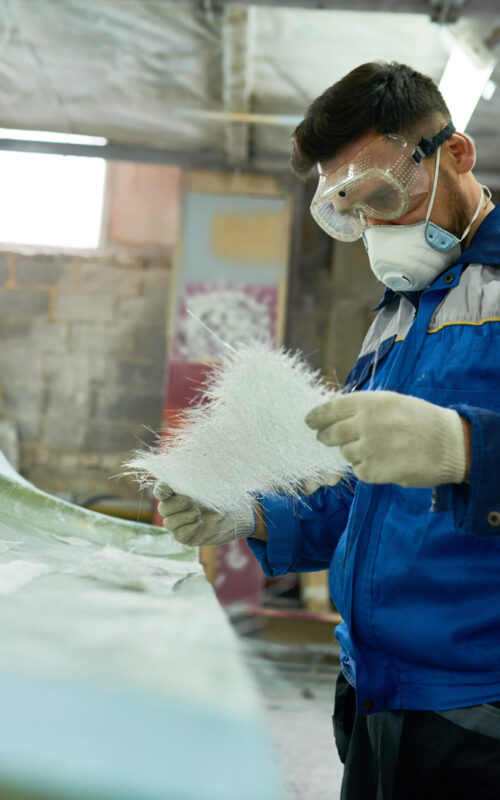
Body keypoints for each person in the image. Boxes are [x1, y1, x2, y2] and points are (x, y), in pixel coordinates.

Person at [155, 62, 500, 800]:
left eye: (382, 197)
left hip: (478, 707)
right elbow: (360, 496)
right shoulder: (394, 318)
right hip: (373, 691)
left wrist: (466, 450)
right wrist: (252, 515)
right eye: (351, 210)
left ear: (456, 155)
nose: (372, 228)